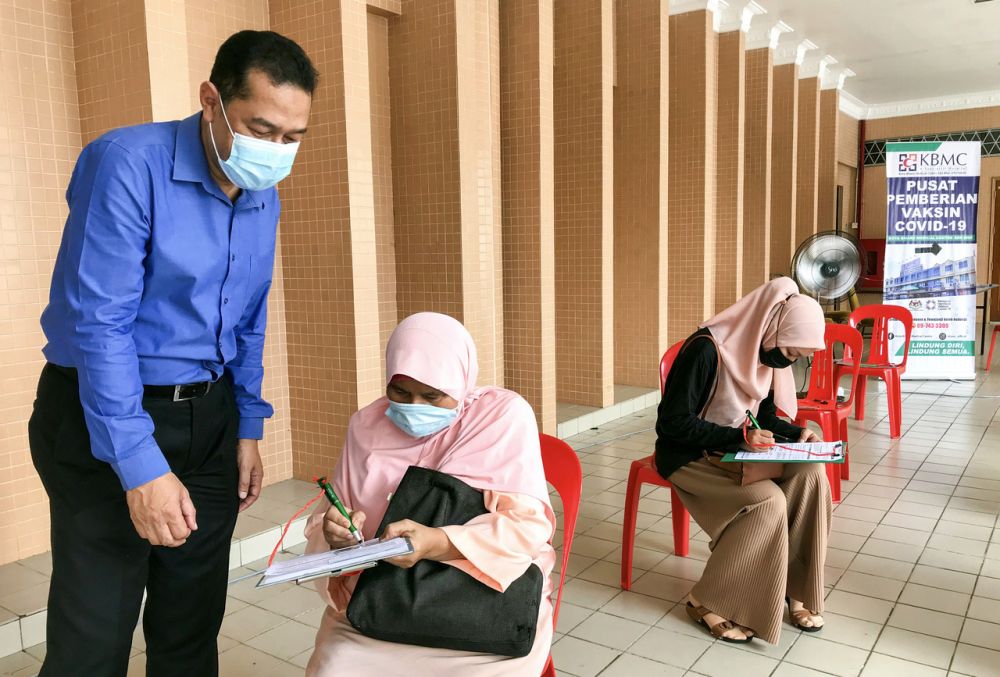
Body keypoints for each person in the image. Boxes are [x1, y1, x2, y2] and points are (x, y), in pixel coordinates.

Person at [28, 31, 317, 677]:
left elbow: (248, 317)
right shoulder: (128, 163)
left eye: (292, 137)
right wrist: (139, 468)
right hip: (103, 414)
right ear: (211, 100)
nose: (275, 151)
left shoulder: (262, 190)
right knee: (94, 635)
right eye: (261, 129)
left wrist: (246, 426)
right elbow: (101, 325)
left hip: (208, 417)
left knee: (190, 624)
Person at [304, 312, 556, 676]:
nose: (415, 406)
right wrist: (338, 535)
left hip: (484, 602)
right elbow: (337, 511)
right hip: (381, 598)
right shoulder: (366, 426)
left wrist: (437, 542)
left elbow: (526, 530)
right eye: (400, 392)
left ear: (460, 382)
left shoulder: (499, 417)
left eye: (432, 395)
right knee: (334, 668)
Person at [654, 277, 832, 645]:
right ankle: (705, 600)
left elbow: (762, 416)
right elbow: (671, 423)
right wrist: (738, 438)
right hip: (687, 453)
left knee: (812, 473)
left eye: (796, 357)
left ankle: (796, 587)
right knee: (767, 501)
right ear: (772, 327)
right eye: (790, 352)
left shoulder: (760, 351)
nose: (788, 362)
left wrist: (798, 434)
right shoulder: (706, 350)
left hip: (733, 449)